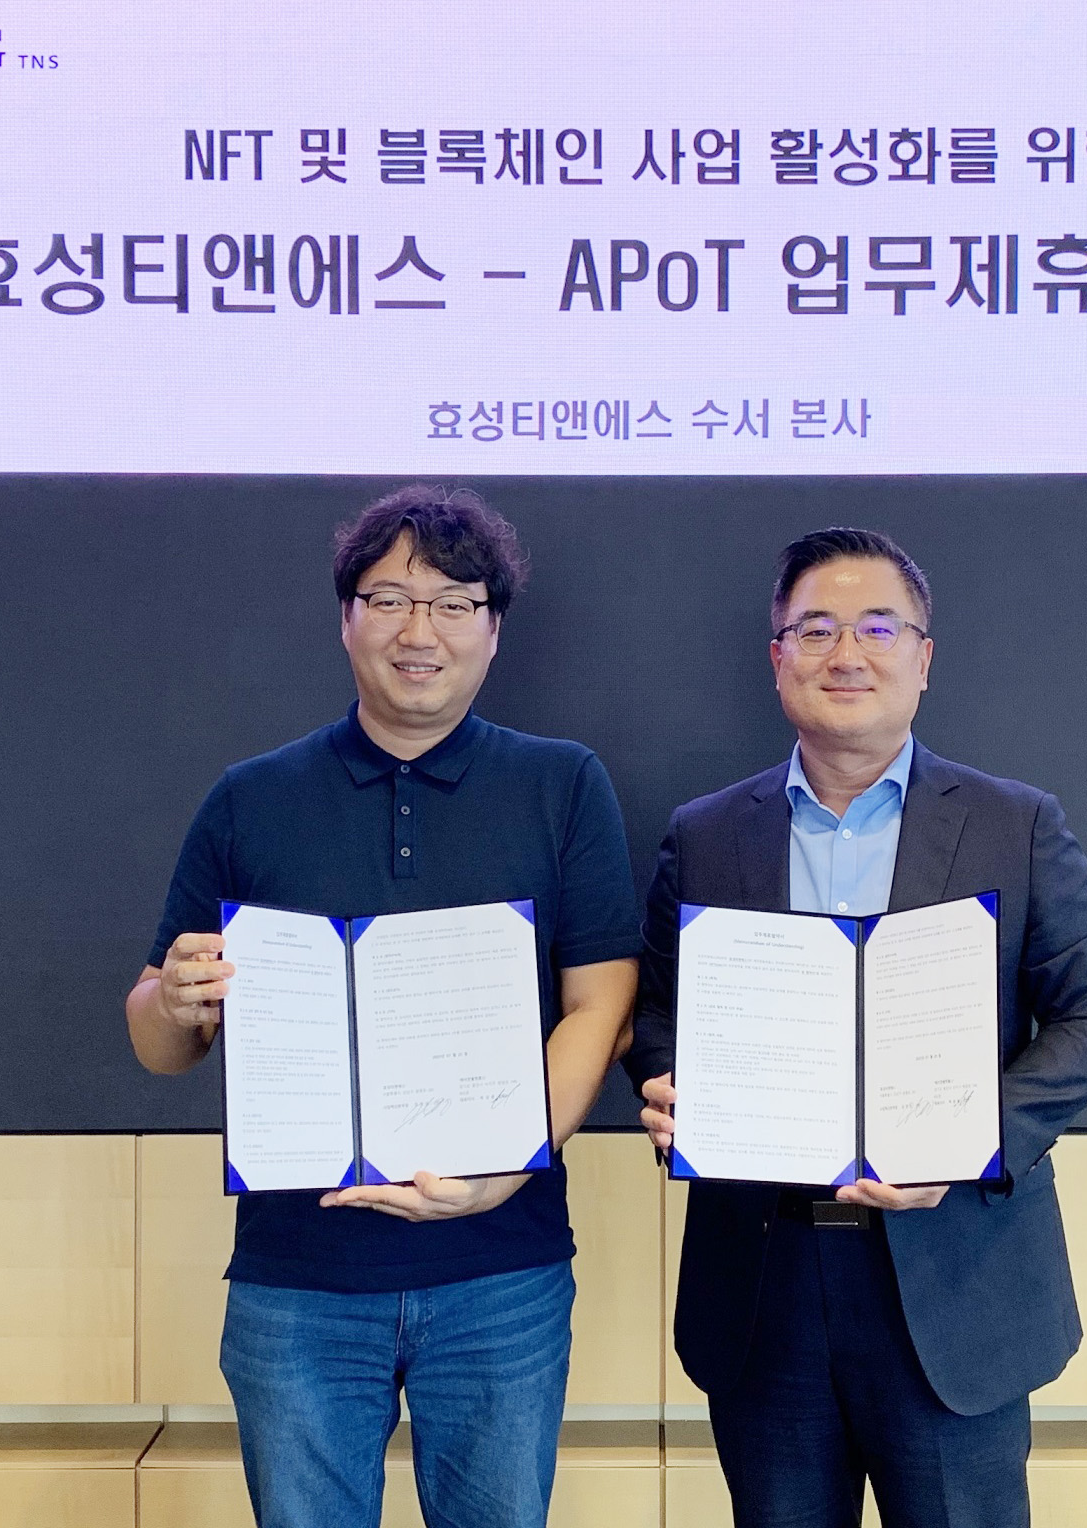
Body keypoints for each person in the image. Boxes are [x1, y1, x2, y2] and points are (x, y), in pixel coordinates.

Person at [127, 485, 641, 1528]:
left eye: (453, 603)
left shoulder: (560, 785)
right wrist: (174, 999)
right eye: (390, 599)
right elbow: (158, 1036)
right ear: (346, 618)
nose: (420, 631)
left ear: (493, 629)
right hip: (298, 1277)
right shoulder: (250, 797)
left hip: (500, 1271)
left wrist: (506, 1167)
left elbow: (603, 1002)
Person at [626, 526, 1087, 1528]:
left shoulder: (1014, 823)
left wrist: (969, 1137)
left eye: (876, 628)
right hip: (764, 1281)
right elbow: (655, 1008)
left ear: (923, 657)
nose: (845, 654)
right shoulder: (707, 833)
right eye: (814, 629)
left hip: (954, 1280)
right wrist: (667, 1080)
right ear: (777, 658)